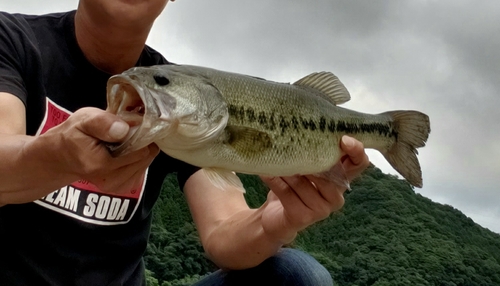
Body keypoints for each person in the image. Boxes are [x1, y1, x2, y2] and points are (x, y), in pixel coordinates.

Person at [0, 0, 370, 285]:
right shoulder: (12, 40)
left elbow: (224, 234)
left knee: (298, 274)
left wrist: (278, 220)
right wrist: (55, 159)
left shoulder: (185, 99)